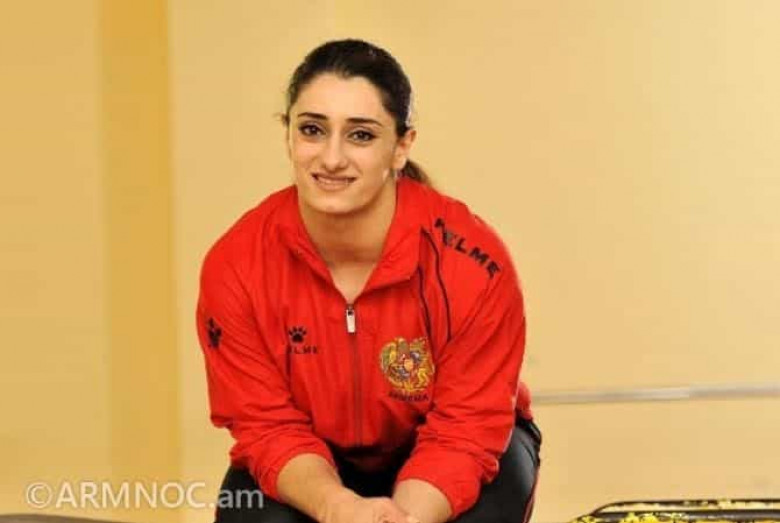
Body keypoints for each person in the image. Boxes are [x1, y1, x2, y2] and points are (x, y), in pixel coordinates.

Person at [196, 39, 541, 523]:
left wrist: (402, 518)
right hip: (311, 460)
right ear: (288, 136)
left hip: (455, 446)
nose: (331, 158)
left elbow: (466, 426)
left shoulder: (472, 261)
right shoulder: (236, 264)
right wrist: (336, 506)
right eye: (312, 130)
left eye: (360, 135)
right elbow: (266, 425)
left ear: (401, 147)